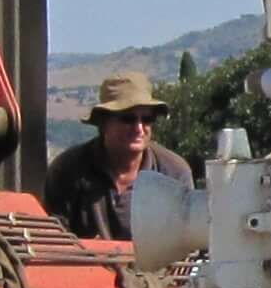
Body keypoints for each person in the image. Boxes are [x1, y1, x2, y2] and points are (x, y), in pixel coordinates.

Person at [42, 71, 194, 243]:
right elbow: (54, 243)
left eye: (147, 119)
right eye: (128, 118)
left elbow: (186, 245)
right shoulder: (66, 172)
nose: (139, 128)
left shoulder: (174, 173)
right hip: (85, 268)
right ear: (103, 122)